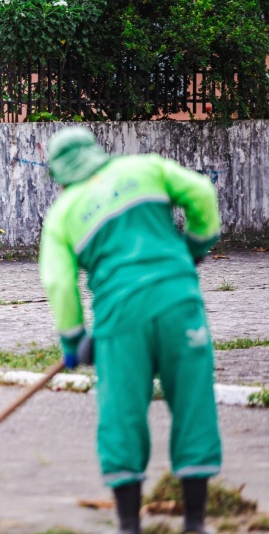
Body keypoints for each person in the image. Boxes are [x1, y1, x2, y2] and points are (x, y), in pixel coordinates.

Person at [39, 127, 222, 534]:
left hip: (119, 321)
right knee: (193, 404)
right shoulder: (146, 168)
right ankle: (195, 522)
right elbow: (202, 193)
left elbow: (58, 283)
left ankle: (128, 526)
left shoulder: (63, 214)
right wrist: (195, 246)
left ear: (60, 174)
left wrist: (74, 339)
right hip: (180, 304)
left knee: (121, 415)